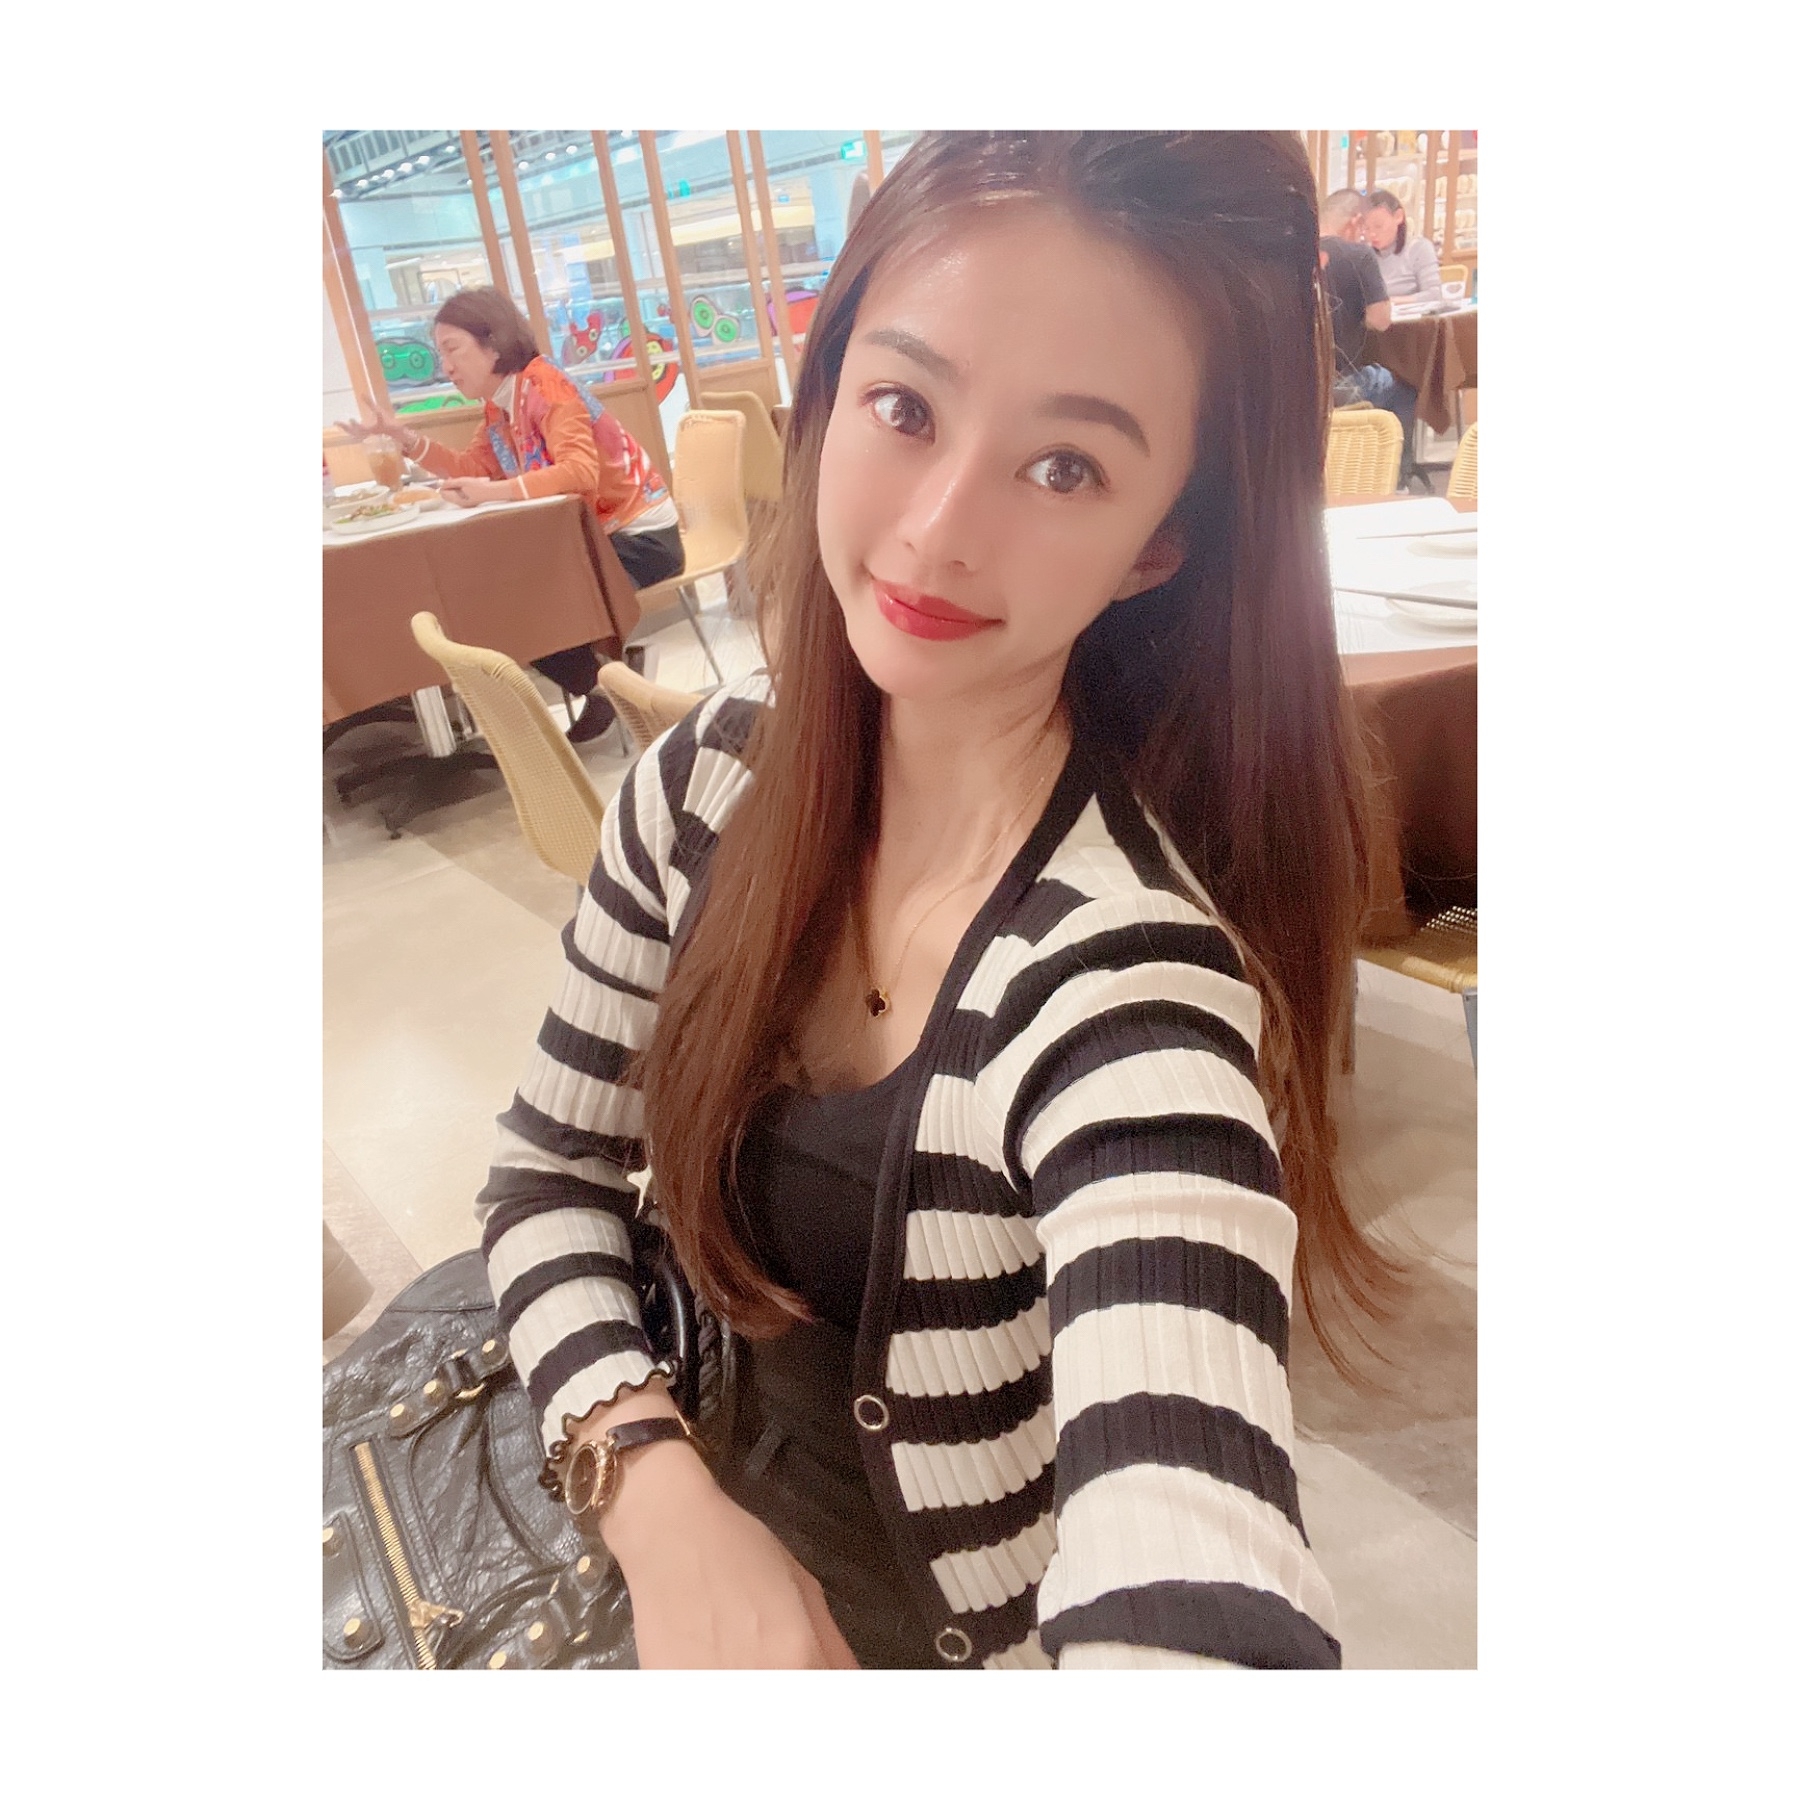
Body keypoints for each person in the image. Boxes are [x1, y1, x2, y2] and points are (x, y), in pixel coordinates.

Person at [476, 132, 1396, 1670]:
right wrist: (656, 1496)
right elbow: (546, 1176)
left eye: (1066, 466)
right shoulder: (702, 790)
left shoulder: (1126, 981)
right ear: (825, 393)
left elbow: (1191, 1525)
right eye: (904, 407)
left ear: (1158, 544)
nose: (939, 528)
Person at [338, 287, 683, 742]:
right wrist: (404, 438)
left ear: (494, 343)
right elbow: (473, 467)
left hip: (641, 536)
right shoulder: (501, 404)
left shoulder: (544, 386)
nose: (446, 366)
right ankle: (606, 685)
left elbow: (579, 472)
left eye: (453, 349)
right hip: (588, 537)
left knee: (510, 602)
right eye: (441, 354)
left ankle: (611, 684)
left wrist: (494, 492)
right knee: (493, 595)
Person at [1318, 187, 1417, 484]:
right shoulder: (1359, 256)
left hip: (1299, 387)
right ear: (1354, 222)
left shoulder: (1291, 254)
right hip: (1340, 385)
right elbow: (1380, 321)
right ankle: (1396, 479)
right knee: (1404, 384)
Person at [1363, 188, 1443, 299]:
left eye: (1378, 226)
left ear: (1398, 216)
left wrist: (1394, 302)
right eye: (1366, 228)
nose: (1372, 234)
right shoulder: (1364, 256)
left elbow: (1434, 294)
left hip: (1411, 310)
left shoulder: (1419, 248)